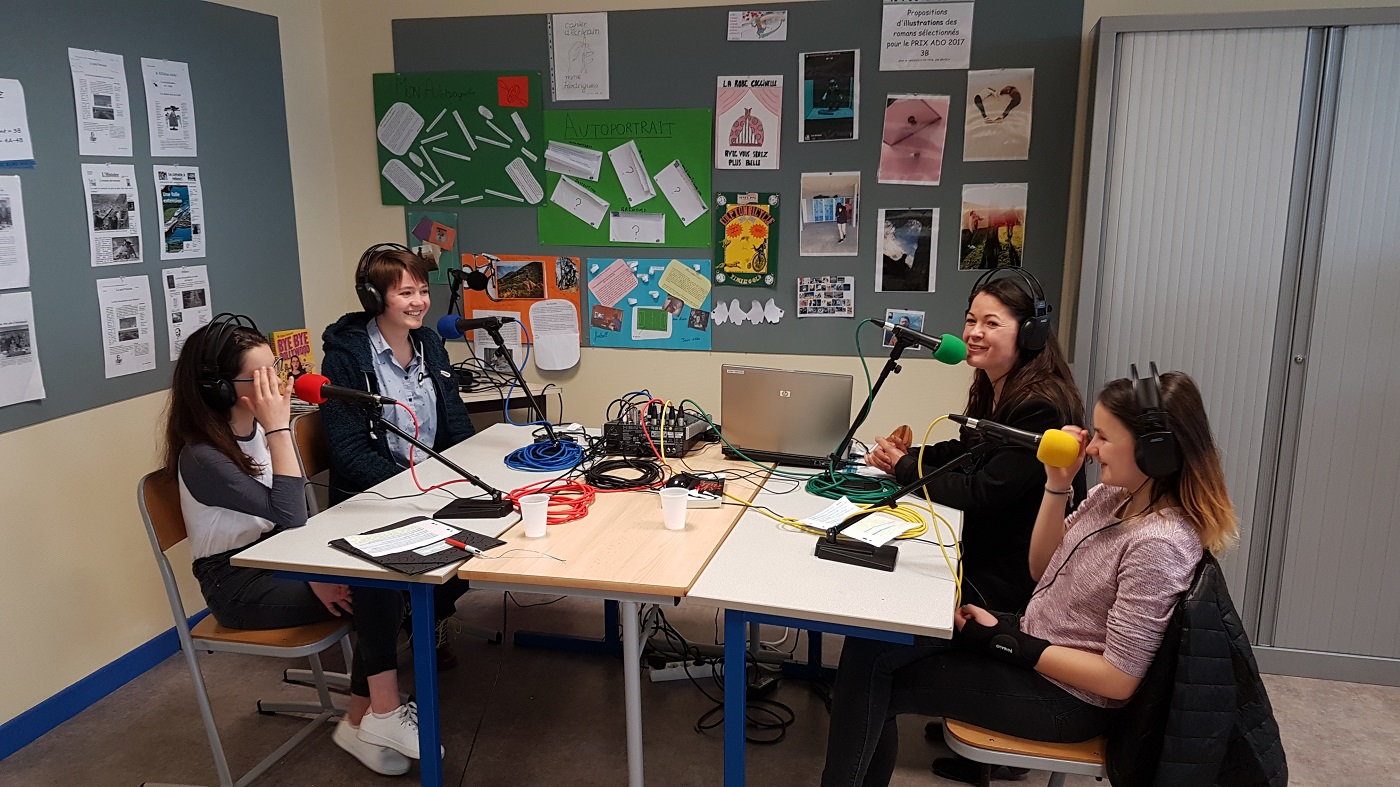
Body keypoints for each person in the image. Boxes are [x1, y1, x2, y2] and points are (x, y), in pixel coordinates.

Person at [824, 369, 1239, 787]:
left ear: (1155, 452)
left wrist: (1008, 643)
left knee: (873, 681)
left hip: (1068, 700)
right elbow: (1042, 568)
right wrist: (1056, 485)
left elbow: (1118, 680)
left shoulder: (1159, 544)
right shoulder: (1113, 498)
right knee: (872, 644)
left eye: (1104, 437)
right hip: (1033, 645)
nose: (1092, 448)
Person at [160, 315, 426, 776]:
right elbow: (290, 512)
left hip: (276, 553)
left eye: (276, 372)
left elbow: (288, 519)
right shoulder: (203, 457)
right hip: (235, 582)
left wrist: (311, 570)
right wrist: (279, 429)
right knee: (372, 589)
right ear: (221, 389)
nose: (279, 386)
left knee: (380, 575)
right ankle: (378, 714)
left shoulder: (257, 432)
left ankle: (364, 718)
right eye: (262, 378)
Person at [865, 269, 1084, 782]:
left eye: (991, 322)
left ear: (1029, 332)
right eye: (970, 320)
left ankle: (979, 719)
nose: (974, 332)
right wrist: (908, 457)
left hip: (1011, 577)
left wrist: (905, 469)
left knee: (884, 617)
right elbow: (967, 452)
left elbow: (984, 493)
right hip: (991, 550)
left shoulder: (1041, 405)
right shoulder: (999, 384)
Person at [321, 243, 476, 669]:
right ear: (374, 298)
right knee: (442, 550)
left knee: (484, 537)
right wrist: (414, 491)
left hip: (428, 489)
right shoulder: (346, 359)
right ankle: (412, 622)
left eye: (423, 291)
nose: (419, 302)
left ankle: (430, 616)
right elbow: (350, 453)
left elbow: (455, 421)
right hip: (374, 496)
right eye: (405, 293)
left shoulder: (429, 344)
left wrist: (466, 475)